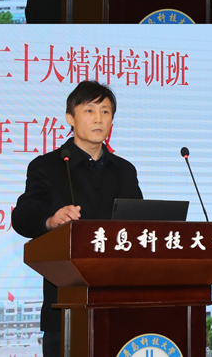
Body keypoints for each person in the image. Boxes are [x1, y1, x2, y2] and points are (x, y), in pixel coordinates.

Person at [11, 81, 142, 357]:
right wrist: (50, 221)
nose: (99, 119)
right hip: (65, 308)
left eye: (105, 111)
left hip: (118, 307)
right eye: (89, 110)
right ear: (70, 118)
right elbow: (22, 218)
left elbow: (140, 226)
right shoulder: (47, 167)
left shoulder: (125, 171)